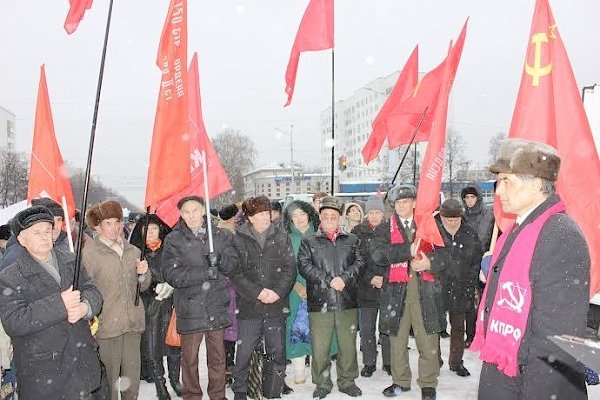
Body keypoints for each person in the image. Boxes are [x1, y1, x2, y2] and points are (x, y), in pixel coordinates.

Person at [473, 139, 590, 399]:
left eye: (507, 181)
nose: (499, 191)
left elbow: (557, 340)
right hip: (507, 373)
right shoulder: (518, 230)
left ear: (536, 185)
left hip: (533, 384)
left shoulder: (560, 235)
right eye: (498, 182)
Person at [0, 205, 103, 399]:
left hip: (80, 363)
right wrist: (59, 304)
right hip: (44, 372)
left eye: (47, 230)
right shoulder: (10, 276)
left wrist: (85, 307)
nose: (44, 236)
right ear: (22, 240)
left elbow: (92, 290)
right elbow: (14, 322)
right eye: (36, 232)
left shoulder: (71, 260)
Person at [162, 195, 239, 400]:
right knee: (189, 359)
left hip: (216, 304)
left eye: (195, 210)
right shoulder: (173, 239)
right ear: (180, 214)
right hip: (189, 307)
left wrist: (220, 261)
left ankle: (218, 395)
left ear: (203, 210)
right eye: (186, 212)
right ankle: (192, 395)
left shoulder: (221, 235)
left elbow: (234, 265)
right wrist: (205, 272)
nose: (191, 215)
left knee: (218, 358)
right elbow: (171, 274)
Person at [372, 184, 444, 400]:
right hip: (396, 294)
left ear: (414, 203)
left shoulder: (429, 227)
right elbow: (377, 254)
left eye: (406, 201)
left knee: (428, 341)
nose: (401, 206)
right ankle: (400, 381)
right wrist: (406, 251)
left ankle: (428, 383)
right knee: (397, 340)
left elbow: (447, 257)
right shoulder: (386, 228)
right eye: (397, 203)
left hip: (425, 293)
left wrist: (429, 263)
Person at [82, 200, 150, 400]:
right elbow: (84, 289)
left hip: (132, 326)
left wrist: (144, 275)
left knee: (131, 382)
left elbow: (143, 286)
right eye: (108, 223)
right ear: (98, 226)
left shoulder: (134, 251)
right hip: (106, 329)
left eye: (117, 222)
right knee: (108, 384)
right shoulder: (90, 254)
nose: (114, 228)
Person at [230, 196, 297, 400]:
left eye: (267, 213)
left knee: (277, 351)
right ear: (250, 217)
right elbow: (236, 273)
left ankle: (274, 388)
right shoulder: (238, 238)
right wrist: (258, 292)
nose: (265, 217)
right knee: (244, 353)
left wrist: (276, 292)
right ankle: (240, 390)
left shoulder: (281, 235)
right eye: (259, 214)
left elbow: (289, 269)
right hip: (249, 306)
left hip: (276, 305)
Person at [298, 196, 364, 399]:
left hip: (347, 301)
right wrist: (328, 280)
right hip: (320, 302)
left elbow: (361, 262)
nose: (329, 219)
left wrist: (344, 278)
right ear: (319, 217)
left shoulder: (352, 240)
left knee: (347, 344)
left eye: (333, 216)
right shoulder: (309, 241)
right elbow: (304, 265)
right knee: (320, 346)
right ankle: (322, 383)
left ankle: (347, 381)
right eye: (325, 215)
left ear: (339, 218)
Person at [130, 213, 181, 399]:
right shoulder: (136, 252)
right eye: (146, 230)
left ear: (160, 230)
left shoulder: (169, 250)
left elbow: (177, 271)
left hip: (171, 304)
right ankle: (161, 386)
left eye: (154, 229)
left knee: (175, 344)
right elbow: (133, 281)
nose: (150, 233)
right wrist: (152, 286)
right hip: (149, 306)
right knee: (153, 349)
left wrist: (171, 285)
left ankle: (176, 380)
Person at [434, 199, 482, 378]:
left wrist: (470, 283)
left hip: (462, 287)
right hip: (438, 287)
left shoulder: (469, 233)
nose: (453, 223)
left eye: (456, 219)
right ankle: (434, 361)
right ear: (442, 217)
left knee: (458, 328)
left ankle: (456, 362)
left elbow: (476, 262)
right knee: (436, 327)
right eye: (449, 220)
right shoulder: (434, 233)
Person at [282, 200, 321, 385]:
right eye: (294, 216)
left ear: (309, 215)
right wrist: (296, 286)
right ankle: (298, 372)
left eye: (302, 214)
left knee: (318, 330)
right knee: (296, 330)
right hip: (295, 291)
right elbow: (281, 268)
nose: (299, 219)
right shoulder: (286, 238)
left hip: (319, 290)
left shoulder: (320, 235)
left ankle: (318, 371)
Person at [352, 196, 391, 377]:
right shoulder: (357, 233)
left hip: (387, 288)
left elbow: (395, 258)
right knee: (367, 329)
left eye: (378, 212)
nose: (374, 216)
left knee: (387, 328)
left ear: (383, 214)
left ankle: (389, 362)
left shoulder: (391, 231)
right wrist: (369, 278)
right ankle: (369, 362)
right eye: (371, 212)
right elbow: (354, 261)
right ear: (366, 214)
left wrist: (384, 277)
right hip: (365, 287)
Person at [460, 186, 495, 347]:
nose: (469, 201)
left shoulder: (488, 214)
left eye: (472, 197)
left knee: (486, 301)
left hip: (484, 262)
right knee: (469, 302)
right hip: (467, 264)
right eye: (466, 198)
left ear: (478, 198)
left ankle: (486, 334)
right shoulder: (463, 216)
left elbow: (483, 238)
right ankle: (471, 335)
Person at [217, 203, 241, 386]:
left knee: (227, 333)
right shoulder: (230, 234)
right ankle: (229, 368)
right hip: (231, 289)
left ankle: (227, 368)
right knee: (231, 332)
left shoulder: (217, 234)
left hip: (227, 289)